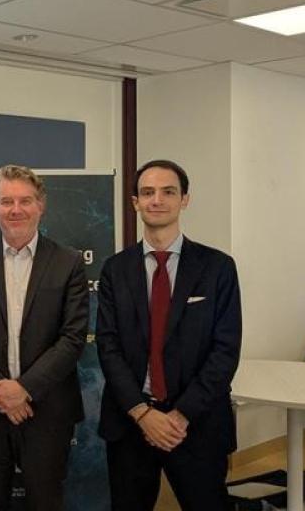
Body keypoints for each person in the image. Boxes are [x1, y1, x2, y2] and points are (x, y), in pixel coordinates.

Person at [96, 159, 241, 511]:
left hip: (197, 423)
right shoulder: (115, 269)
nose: (156, 200)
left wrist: (179, 415)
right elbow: (108, 345)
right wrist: (143, 414)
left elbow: (225, 350)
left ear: (184, 200)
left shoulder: (218, 267)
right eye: (147, 192)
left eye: (168, 192)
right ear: (135, 202)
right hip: (130, 423)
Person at [0, 165, 89, 511]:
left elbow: (72, 338)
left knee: (46, 502)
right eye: (6, 201)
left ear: (41, 206)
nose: (16, 210)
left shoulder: (68, 262)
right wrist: (1, 389)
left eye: (25, 201)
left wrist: (23, 389)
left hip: (47, 410)